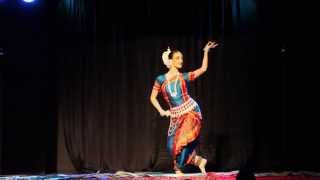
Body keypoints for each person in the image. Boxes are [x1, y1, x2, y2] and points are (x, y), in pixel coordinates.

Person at [150, 41, 218, 175]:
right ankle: (198, 161)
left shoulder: (183, 77)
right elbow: (152, 97)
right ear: (170, 60)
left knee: (180, 141)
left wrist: (205, 51)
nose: (181, 60)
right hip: (175, 116)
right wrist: (162, 111)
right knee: (171, 147)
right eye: (177, 58)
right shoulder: (160, 79)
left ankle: (177, 168)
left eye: (181, 58)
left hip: (190, 111)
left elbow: (203, 69)